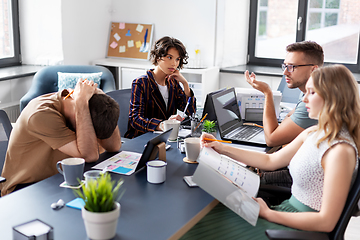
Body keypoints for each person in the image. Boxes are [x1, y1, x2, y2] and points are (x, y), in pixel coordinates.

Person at [181, 64, 360, 239]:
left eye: (312, 93)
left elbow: (326, 222)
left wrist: (267, 213)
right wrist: (221, 148)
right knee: (205, 217)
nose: (305, 98)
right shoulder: (315, 132)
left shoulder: (340, 151)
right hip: (286, 212)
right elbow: (271, 161)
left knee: (198, 228)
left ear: (333, 98)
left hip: (300, 228)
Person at [0, 80, 121, 196]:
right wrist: (81, 103)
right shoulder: (42, 114)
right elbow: (90, 155)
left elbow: (114, 146)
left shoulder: (87, 106)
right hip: (25, 189)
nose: (93, 138)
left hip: (60, 179)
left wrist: (102, 96)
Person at [245, 41, 324, 188]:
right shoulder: (309, 93)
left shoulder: (315, 101)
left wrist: (267, 93)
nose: (285, 72)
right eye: (285, 66)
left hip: (303, 177)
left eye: (292, 67)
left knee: (244, 177)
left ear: (313, 70)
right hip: (301, 166)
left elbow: (272, 138)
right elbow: (288, 117)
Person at [125, 36, 196, 139]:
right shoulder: (141, 83)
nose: (174, 63)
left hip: (165, 138)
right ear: (158, 57)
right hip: (142, 138)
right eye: (169, 57)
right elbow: (135, 119)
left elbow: (191, 112)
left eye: (177, 59)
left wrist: (185, 84)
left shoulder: (173, 83)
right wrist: (163, 125)